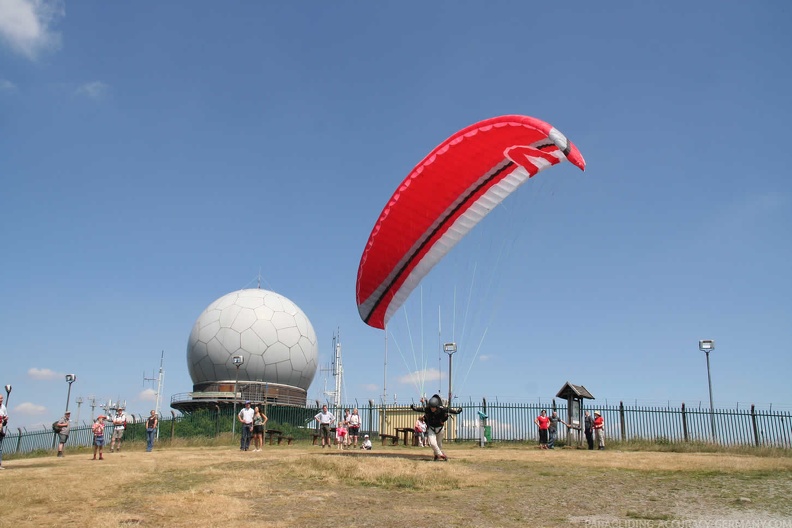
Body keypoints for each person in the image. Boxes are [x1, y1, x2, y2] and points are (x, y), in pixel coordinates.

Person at [410, 394, 462, 461]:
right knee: (432, 443)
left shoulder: (442, 409)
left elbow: (450, 410)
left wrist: (457, 411)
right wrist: (414, 408)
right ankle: (441, 455)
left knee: (439, 444)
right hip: (431, 428)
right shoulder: (428, 409)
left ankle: (436, 455)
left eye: (433, 407)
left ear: (437, 406)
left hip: (440, 428)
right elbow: (421, 409)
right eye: (431, 407)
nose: (432, 409)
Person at [0, 394, 8, 470]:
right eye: (0, 398)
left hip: (0, 429)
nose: (1, 400)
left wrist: (5, 419)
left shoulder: (3, 407)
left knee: (0, 448)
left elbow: (5, 423)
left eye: (2, 398)